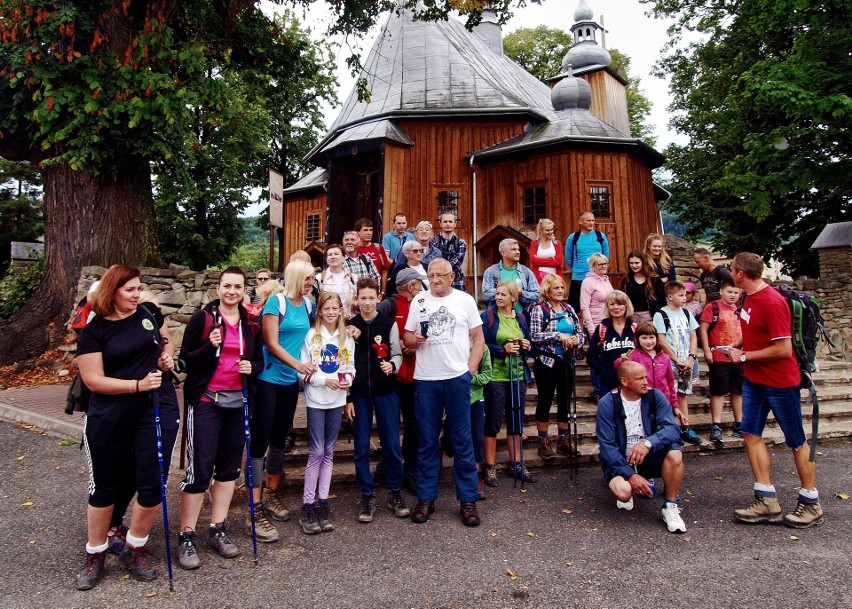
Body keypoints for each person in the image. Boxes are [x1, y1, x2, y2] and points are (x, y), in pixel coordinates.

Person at [74, 265, 179, 590]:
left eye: (138, 288)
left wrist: (166, 358)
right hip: (110, 415)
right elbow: (92, 380)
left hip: (155, 409)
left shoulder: (147, 313)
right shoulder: (94, 332)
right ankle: (96, 552)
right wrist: (136, 385)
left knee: (151, 484)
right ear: (112, 292)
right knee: (106, 487)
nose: (138, 295)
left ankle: (135, 545)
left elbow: (166, 340)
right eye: (130, 290)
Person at [175, 267, 264, 570]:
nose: (232, 291)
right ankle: (186, 535)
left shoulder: (251, 322)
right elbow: (184, 361)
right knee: (200, 471)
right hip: (206, 402)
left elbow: (259, 360)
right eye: (227, 286)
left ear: (244, 290)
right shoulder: (203, 319)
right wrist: (208, 346)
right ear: (218, 288)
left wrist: (252, 367)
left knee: (228, 470)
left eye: (238, 287)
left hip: (239, 402)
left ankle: (218, 528)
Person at [728, 253, 823, 528]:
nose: (730, 272)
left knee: (796, 440)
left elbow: (783, 349)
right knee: (750, 434)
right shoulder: (750, 297)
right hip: (755, 381)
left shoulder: (771, 301)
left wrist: (744, 357)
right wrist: (738, 342)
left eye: (732, 268)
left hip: (780, 382)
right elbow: (754, 330)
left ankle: (810, 503)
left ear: (741, 274)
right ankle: (766, 499)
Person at [403, 259, 485, 527]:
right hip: (426, 379)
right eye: (431, 275)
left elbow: (479, 338)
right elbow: (406, 338)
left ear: (452, 276)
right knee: (428, 440)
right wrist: (414, 340)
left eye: (440, 275)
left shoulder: (464, 300)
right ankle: (426, 498)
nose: (435, 279)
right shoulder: (419, 301)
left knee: (462, 440)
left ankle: (468, 499)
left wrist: (470, 369)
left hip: (456, 378)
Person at [249, 259, 317, 543]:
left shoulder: (310, 304)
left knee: (280, 439)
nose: (312, 281)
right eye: (308, 277)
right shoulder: (277, 303)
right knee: (260, 440)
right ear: (297, 277)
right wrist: (299, 366)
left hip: (290, 382)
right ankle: (254, 506)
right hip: (267, 379)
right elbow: (272, 343)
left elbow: (311, 338)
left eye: (313, 278)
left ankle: (272, 493)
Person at [596, 361, 687, 534]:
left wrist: (648, 443)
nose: (646, 381)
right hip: (622, 460)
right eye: (640, 378)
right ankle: (633, 486)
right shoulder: (607, 403)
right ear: (624, 381)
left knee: (675, 454)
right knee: (623, 492)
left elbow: (672, 429)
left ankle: (670, 506)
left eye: (646, 377)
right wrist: (630, 475)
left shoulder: (655, 396)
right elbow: (607, 446)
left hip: (649, 455)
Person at [345, 277, 408, 523]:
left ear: (379, 298)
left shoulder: (388, 323)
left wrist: (392, 366)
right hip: (359, 393)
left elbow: (397, 352)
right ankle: (367, 493)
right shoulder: (350, 325)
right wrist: (347, 396)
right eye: (363, 298)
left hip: (386, 391)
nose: (368, 302)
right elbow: (343, 362)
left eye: (372, 298)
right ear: (357, 299)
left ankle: (394, 491)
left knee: (391, 443)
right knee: (361, 446)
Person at [298, 291, 356, 534]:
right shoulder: (311, 336)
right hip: (316, 399)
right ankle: (308, 504)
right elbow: (302, 371)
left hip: (336, 399)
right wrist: (323, 381)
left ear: (341, 310)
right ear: (319, 311)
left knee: (329, 451)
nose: (331, 312)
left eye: (335, 308)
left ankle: (323, 502)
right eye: (327, 308)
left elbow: (349, 366)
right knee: (317, 450)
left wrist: (348, 380)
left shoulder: (345, 338)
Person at [481, 281, 534, 486]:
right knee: (493, 421)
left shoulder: (521, 317)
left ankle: (517, 463)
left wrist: (526, 346)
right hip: (496, 376)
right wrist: (502, 349)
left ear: (513, 297)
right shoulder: (488, 317)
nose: (498, 297)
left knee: (516, 420)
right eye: (497, 294)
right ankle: (490, 466)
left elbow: (527, 341)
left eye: (503, 294)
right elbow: (481, 344)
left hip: (518, 375)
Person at [377, 268, 424, 492]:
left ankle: (411, 469)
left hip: (416, 374)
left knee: (414, 423)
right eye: (417, 284)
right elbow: (376, 333)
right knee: (391, 423)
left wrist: (415, 343)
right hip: (392, 375)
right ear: (408, 286)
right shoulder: (389, 305)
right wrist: (396, 349)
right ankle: (388, 464)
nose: (420, 288)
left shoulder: (421, 304)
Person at [528, 273, 583, 460]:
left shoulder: (569, 309)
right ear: (547, 290)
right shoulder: (539, 310)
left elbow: (580, 333)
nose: (560, 291)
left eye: (562, 288)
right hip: (547, 362)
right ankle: (543, 441)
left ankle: (563, 439)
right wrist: (558, 336)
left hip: (567, 361)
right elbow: (534, 336)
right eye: (556, 288)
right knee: (545, 400)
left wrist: (577, 340)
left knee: (565, 400)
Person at [653, 281, 702, 445]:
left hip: (686, 362)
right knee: (668, 395)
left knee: (682, 394)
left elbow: (694, 336)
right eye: (681, 295)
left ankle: (685, 427)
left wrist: (691, 357)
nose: (684, 297)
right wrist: (675, 359)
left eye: (685, 294)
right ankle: (670, 429)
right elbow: (661, 340)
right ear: (670, 296)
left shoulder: (687, 314)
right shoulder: (661, 315)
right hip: (670, 363)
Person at [699, 278, 744, 442]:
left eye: (736, 292)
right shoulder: (713, 307)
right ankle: (716, 424)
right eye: (729, 292)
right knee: (718, 391)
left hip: (738, 356)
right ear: (721, 292)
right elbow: (703, 329)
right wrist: (706, 350)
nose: (733, 295)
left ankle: (739, 423)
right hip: (719, 355)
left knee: (738, 391)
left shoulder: (741, 308)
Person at [627, 322, 680, 424]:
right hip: (642, 400)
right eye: (644, 338)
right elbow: (620, 368)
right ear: (637, 338)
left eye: (652, 337)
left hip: (662, 401)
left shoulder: (665, 358)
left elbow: (670, 383)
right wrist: (622, 360)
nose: (648, 341)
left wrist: (675, 405)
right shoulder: (633, 356)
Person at [587, 290, 637, 396]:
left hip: (632, 381)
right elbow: (591, 357)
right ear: (607, 307)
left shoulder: (634, 328)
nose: (616, 307)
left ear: (626, 306)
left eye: (620, 303)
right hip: (608, 384)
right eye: (612, 304)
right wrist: (604, 371)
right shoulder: (602, 328)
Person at [565, 211, 609, 312]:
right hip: (578, 278)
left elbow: (606, 258)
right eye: (588, 220)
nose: (591, 223)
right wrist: (579, 268)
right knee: (576, 310)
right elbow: (568, 259)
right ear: (580, 222)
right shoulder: (573, 238)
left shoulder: (600, 236)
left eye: (593, 220)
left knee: (597, 308)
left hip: (597, 278)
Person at [481, 238, 540, 311]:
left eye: (518, 249)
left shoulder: (526, 272)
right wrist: (509, 290)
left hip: (522, 318)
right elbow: (486, 296)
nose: (518, 252)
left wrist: (522, 294)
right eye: (513, 249)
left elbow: (537, 296)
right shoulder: (491, 271)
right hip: (498, 318)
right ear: (503, 253)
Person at [620, 249, 665, 324]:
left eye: (637, 263)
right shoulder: (626, 280)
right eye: (631, 263)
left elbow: (663, 301)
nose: (634, 265)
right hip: (631, 319)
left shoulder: (654, 279)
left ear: (643, 262)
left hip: (651, 318)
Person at [316, 243, 359, 319]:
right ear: (326, 259)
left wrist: (355, 303)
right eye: (330, 255)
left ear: (344, 257)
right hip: (328, 321)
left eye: (336, 254)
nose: (333, 257)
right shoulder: (319, 278)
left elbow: (361, 302)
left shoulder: (353, 278)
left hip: (350, 321)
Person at [580, 252, 614, 338]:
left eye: (605, 263)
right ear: (593, 266)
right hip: (596, 324)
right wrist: (591, 330)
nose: (604, 266)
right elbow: (584, 307)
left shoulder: (606, 280)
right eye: (600, 264)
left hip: (609, 322)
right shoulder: (587, 282)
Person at [354, 218, 393, 294]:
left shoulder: (378, 247)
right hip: (358, 291)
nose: (369, 233)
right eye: (365, 230)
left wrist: (383, 291)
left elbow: (384, 270)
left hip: (376, 291)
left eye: (371, 230)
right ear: (357, 232)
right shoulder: (354, 249)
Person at [432, 212, 468, 291]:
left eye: (450, 221)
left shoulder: (461, 243)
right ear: (440, 224)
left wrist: (440, 266)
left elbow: (457, 264)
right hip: (437, 280)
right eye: (445, 222)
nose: (448, 224)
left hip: (456, 280)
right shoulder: (433, 241)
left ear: (455, 224)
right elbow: (432, 262)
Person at [529, 218, 564, 283]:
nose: (550, 232)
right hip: (539, 277)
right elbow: (533, 260)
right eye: (547, 230)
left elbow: (559, 261)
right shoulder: (534, 244)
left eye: (552, 229)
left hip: (555, 277)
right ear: (541, 230)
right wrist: (552, 259)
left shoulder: (557, 243)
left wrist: (539, 260)